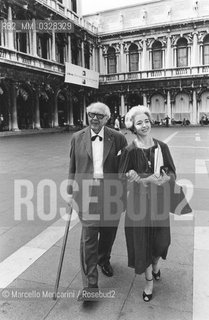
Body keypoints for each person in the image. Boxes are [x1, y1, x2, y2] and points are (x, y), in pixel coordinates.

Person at [67, 102, 127, 301]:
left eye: (99, 116)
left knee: (108, 233)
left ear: (107, 119)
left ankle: (104, 259)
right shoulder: (77, 138)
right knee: (89, 238)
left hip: (111, 194)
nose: (94, 118)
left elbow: (125, 167)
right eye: (91, 114)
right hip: (86, 194)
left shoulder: (118, 138)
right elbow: (72, 168)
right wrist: (70, 192)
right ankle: (91, 286)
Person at [119, 105, 176, 302]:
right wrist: (133, 175)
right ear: (133, 127)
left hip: (158, 202)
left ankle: (156, 264)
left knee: (162, 241)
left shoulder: (162, 147)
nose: (144, 125)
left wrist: (166, 178)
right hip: (138, 204)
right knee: (142, 242)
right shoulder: (129, 150)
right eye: (139, 122)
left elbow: (171, 171)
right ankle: (149, 281)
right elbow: (121, 177)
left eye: (146, 121)